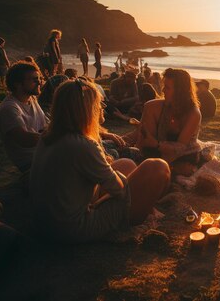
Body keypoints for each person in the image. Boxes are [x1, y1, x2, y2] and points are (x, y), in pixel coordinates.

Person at [29, 79, 171, 242]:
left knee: (126, 164)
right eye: (98, 104)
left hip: (46, 222)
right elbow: (118, 190)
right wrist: (114, 190)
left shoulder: (49, 136)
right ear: (87, 109)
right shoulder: (82, 145)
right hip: (72, 228)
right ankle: (141, 213)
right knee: (158, 167)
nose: (102, 107)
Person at [137, 68, 202, 176]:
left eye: (167, 87)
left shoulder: (193, 113)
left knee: (180, 169)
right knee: (149, 106)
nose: (162, 90)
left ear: (179, 92)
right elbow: (145, 139)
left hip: (183, 156)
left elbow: (180, 148)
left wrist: (156, 144)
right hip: (155, 153)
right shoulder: (155, 107)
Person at [0, 61, 48, 173]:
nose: (39, 82)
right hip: (30, 163)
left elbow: (45, 126)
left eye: (40, 78)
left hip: (44, 155)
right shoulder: (9, 108)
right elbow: (23, 139)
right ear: (17, 84)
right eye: (35, 79)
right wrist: (57, 136)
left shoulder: (31, 100)